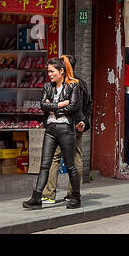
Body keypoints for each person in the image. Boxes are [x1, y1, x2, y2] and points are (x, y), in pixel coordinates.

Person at [23, 56, 83, 209]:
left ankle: (76, 197)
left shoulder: (73, 86)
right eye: (48, 71)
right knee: (44, 165)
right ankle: (36, 197)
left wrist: (53, 109)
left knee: (70, 165)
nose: (49, 74)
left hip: (66, 129)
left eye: (52, 71)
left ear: (61, 71)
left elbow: (74, 106)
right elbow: (43, 105)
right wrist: (61, 105)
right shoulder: (47, 87)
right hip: (50, 129)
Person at [44, 69, 91, 203]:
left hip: (65, 126)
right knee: (76, 157)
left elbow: (75, 106)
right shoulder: (81, 83)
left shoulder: (66, 85)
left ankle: (49, 193)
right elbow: (88, 104)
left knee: (55, 157)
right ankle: (72, 193)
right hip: (75, 125)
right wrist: (83, 120)